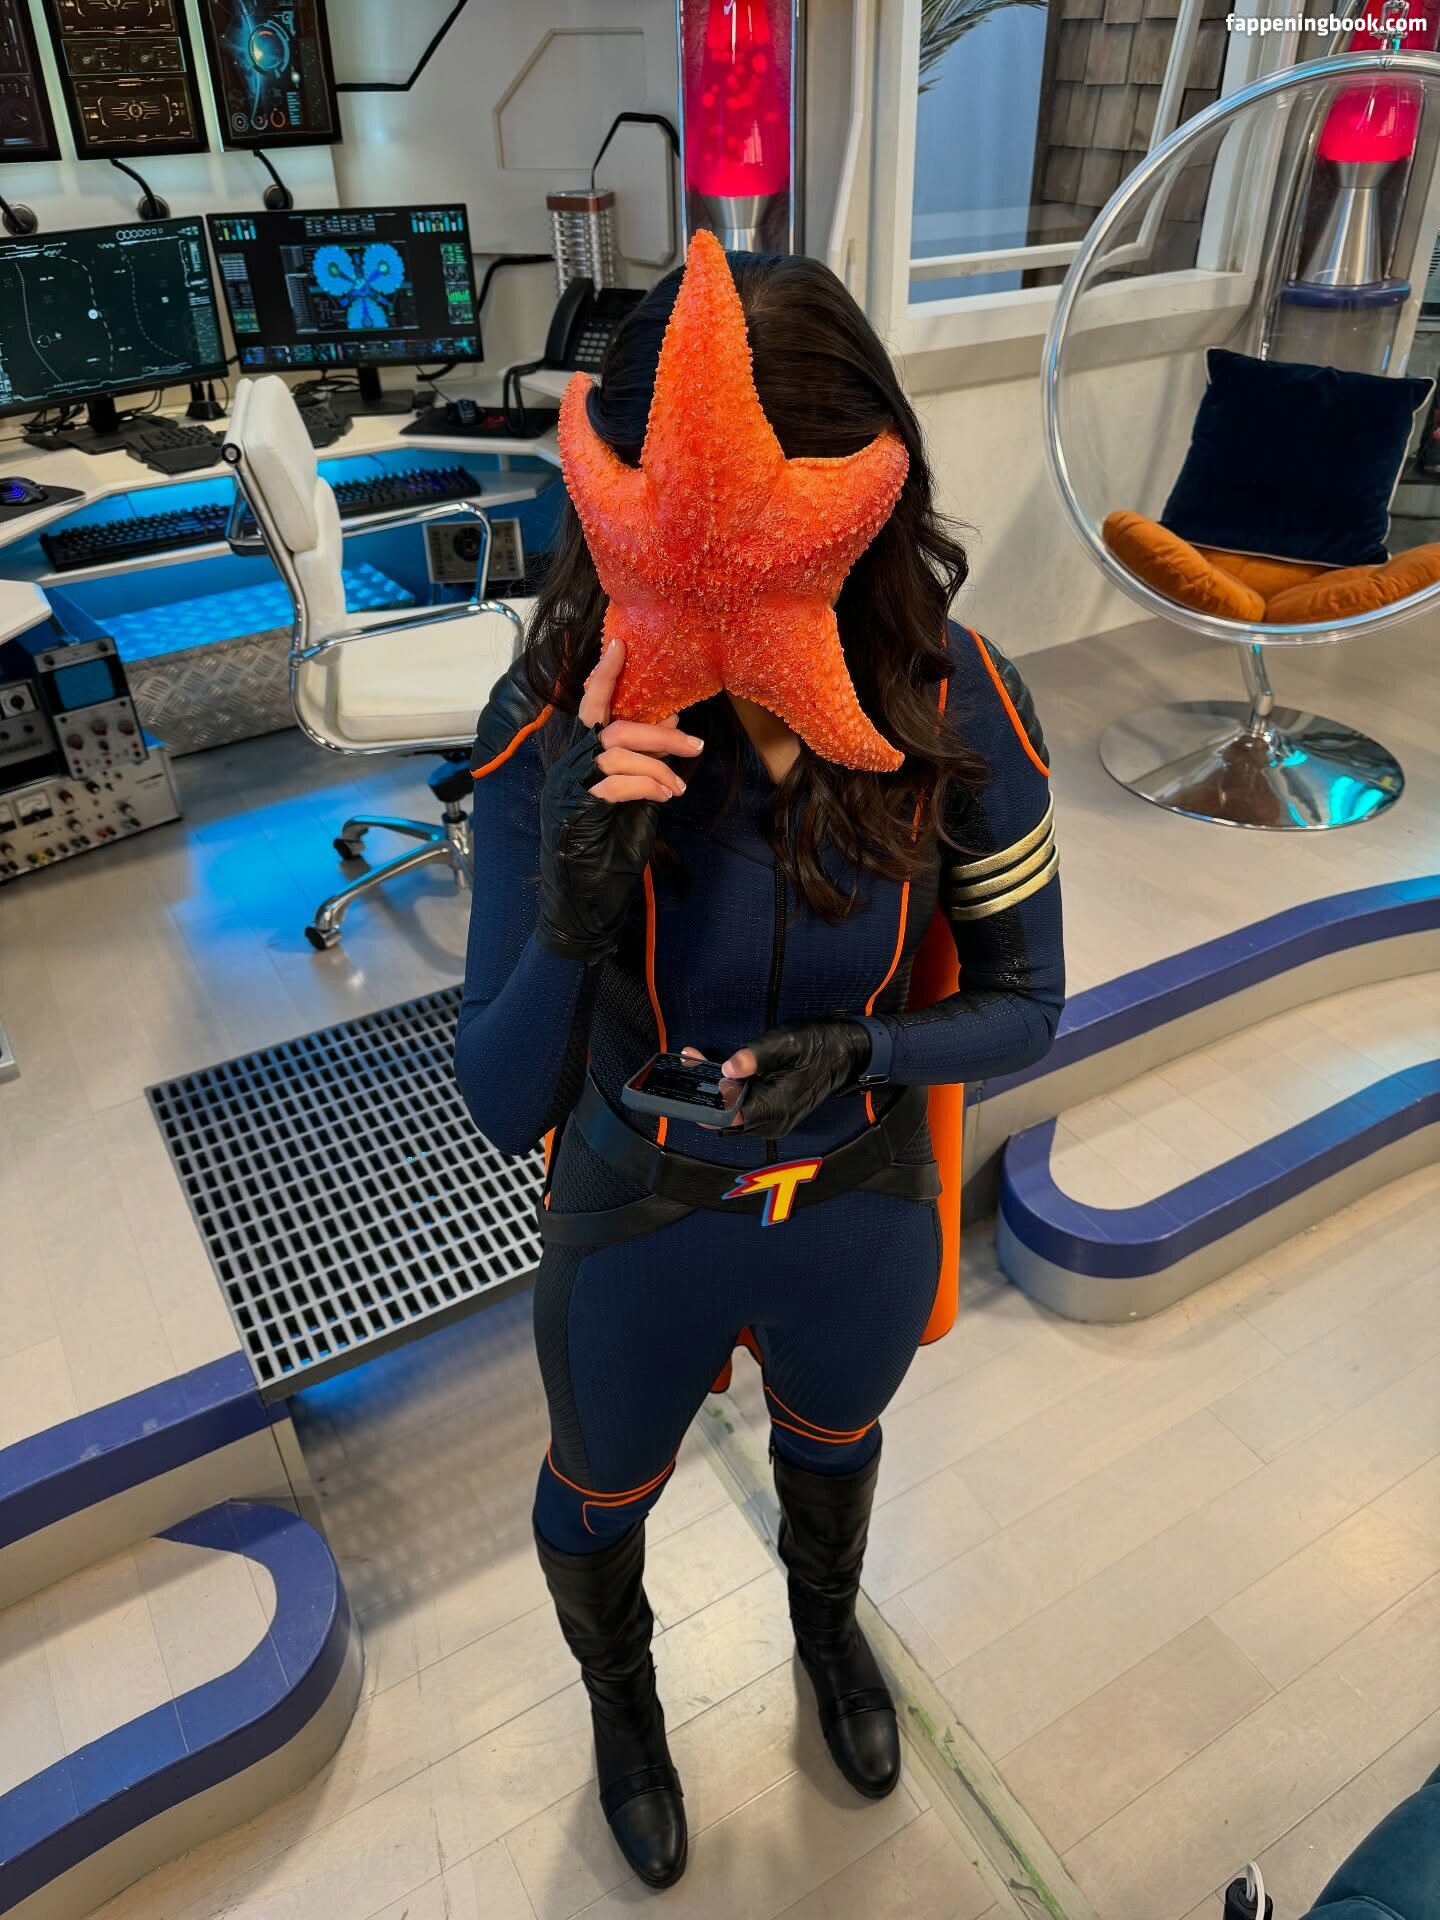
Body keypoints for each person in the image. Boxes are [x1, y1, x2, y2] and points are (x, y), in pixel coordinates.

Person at [455, 238, 1065, 1893]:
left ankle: (829, 1630)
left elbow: (1030, 1003)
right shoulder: (562, 719)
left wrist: (867, 1048)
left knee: (836, 1445)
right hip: (638, 1210)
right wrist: (573, 905)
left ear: (865, 509)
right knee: (598, 1496)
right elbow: (502, 1101)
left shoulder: (953, 696)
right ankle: (626, 1711)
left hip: (857, 1196)